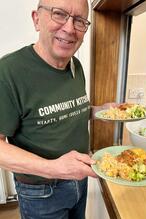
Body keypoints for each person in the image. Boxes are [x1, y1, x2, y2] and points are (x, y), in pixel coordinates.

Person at [0, 0, 112, 218]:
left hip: (79, 181)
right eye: (59, 14)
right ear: (36, 19)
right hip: (41, 193)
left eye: (80, 21)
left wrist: (99, 111)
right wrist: (55, 168)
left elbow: (66, 111)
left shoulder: (75, 65)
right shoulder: (8, 72)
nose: (70, 28)